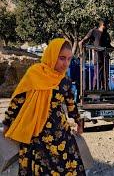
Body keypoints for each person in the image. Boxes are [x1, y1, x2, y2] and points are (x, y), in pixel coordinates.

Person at [2, 38, 86, 175]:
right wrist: (7, 122)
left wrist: (79, 122)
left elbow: (71, 103)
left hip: (60, 135)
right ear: (52, 55)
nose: (66, 64)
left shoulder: (64, 80)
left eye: (69, 59)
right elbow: (18, 100)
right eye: (62, 58)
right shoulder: (34, 73)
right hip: (35, 134)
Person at [78, 18, 114, 90]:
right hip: (97, 57)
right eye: (107, 25)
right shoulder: (94, 31)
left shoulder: (106, 35)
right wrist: (81, 52)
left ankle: (104, 92)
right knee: (97, 75)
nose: (108, 27)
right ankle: (95, 92)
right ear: (103, 24)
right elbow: (82, 42)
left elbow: (109, 46)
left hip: (105, 57)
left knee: (105, 76)